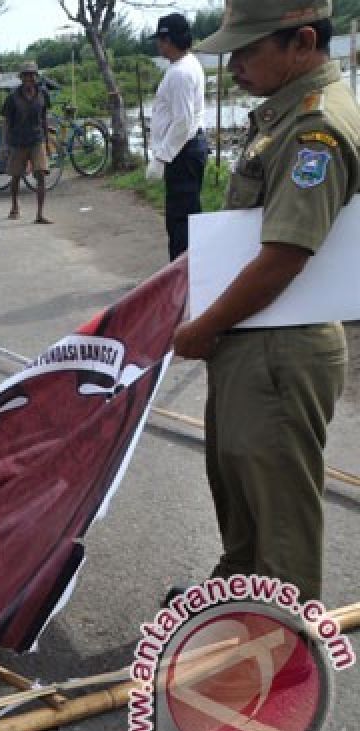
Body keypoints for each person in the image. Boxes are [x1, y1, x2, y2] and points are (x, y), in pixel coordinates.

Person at [174, 0, 358, 602]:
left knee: (279, 510)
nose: (234, 68)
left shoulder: (315, 129)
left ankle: (283, 644)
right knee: (239, 482)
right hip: (253, 334)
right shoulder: (284, 113)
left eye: (248, 51)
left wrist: (205, 327)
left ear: (301, 44)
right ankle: (237, 602)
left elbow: (284, 255)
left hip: (281, 345)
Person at [147, 13, 208, 261]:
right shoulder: (184, 65)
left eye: (160, 39)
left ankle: (182, 276)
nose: (158, 45)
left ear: (168, 39)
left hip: (183, 151)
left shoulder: (181, 73)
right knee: (185, 215)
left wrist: (162, 157)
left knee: (180, 219)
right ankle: (189, 270)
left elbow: (182, 121)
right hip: (186, 149)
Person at [0, 62, 53, 224]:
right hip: (18, 141)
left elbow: (44, 118)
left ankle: (40, 214)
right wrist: (4, 144)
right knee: (16, 176)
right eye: (26, 75)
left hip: (37, 140)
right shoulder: (13, 97)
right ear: (21, 78)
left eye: (32, 75)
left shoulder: (43, 94)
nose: (29, 78)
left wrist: (48, 140)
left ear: (36, 77)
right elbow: (6, 121)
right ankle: (15, 206)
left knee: (41, 175)